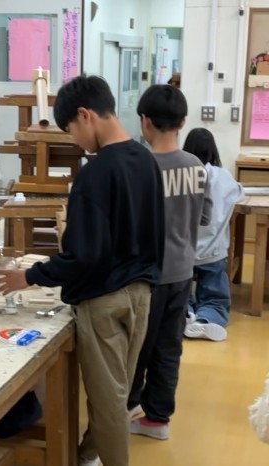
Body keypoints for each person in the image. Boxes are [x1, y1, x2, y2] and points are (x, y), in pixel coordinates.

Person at [0, 75, 165, 466]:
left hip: (104, 302)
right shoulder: (146, 160)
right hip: (141, 295)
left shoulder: (95, 174)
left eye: (70, 130)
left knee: (107, 402)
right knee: (116, 393)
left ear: (85, 115)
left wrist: (29, 276)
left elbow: (86, 256)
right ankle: (86, 457)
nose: (74, 141)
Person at [128, 85, 212, 441]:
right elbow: (204, 218)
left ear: (144, 122)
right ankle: (158, 419)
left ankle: (128, 407)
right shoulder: (197, 167)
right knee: (168, 348)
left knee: (136, 347)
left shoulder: (138, 167)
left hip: (145, 277)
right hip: (182, 273)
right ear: (182, 123)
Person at [182, 128, 244, 341]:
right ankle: (207, 319)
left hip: (183, 252)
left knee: (178, 292)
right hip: (214, 253)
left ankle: (186, 314)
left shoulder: (181, 174)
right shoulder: (223, 176)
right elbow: (238, 193)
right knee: (215, 297)